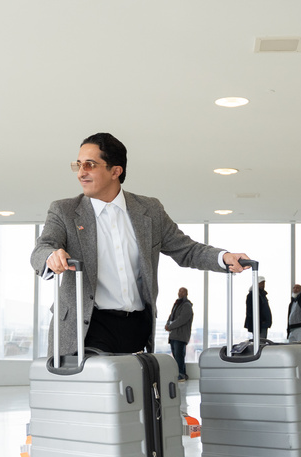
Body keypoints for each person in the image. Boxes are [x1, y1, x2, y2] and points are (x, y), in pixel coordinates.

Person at [30, 132, 250, 356]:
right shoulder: (64, 211)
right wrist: (51, 256)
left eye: (90, 165)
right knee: (100, 387)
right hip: (88, 327)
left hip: (136, 327)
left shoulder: (149, 210)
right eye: (78, 165)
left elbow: (186, 249)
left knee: (133, 390)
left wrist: (223, 258)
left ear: (116, 171)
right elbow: (42, 248)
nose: (81, 173)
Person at [165, 287, 193, 380]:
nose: (180, 293)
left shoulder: (186, 305)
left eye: (182, 291)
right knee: (176, 356)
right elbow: (171, 316)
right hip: (174, 335)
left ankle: (181, 375)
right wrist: (167, 324)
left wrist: (170, 326)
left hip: (180, 336)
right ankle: (182, 374)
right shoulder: (177, 304)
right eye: (179, 291)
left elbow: (181, 319)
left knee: (179, 356)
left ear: (186, 294)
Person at [244, 276, 272, 342]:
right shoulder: (252, 295)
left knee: (262, 341)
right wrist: (260, 320)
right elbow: (250, 311)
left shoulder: (262, 295)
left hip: (263, 324)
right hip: (258, 324)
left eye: (264, 283)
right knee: (260, 343)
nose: (263, 285)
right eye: (261, 283)